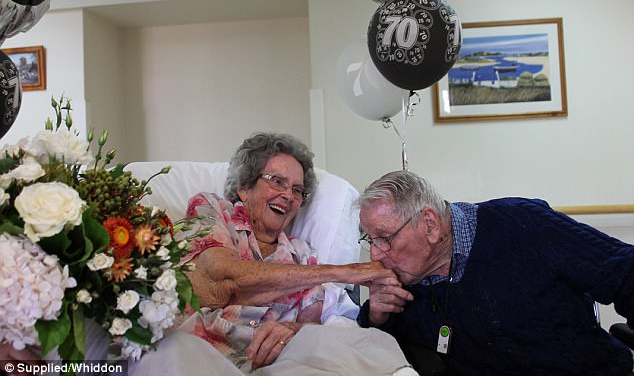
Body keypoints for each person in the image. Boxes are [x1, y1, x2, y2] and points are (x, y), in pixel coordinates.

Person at [143, 133, 417, 375]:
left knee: (374, 342)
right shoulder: (213, 211)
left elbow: (318, 330)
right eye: (277, 182)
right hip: (203, 352)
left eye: (297, 190)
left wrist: (293, 332)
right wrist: (346, 271)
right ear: (244, 186)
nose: (289, 195)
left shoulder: (301, 254)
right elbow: (221, 278)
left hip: (272, 364)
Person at [356, 170, 634, 376]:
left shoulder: (523, 225)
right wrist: (377, 318)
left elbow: (623, 271)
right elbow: (389, 354)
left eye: (384, 237)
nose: (375, 254)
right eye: (369, 240)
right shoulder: (407, 282)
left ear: (429, 224)